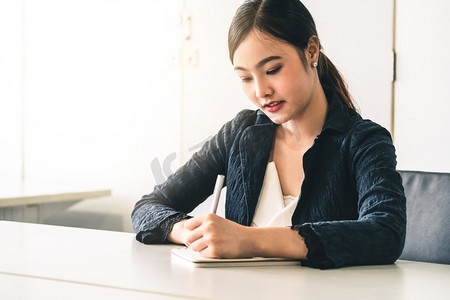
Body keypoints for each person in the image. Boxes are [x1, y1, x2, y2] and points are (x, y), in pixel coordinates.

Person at [131, 0, 406, 269]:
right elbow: (148, 207)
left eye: (272, 70)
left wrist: (247, 240)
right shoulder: (239, 134)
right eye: (246, 78)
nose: (261, 91)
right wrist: (193, 233)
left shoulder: (364, 141)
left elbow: (385, 233)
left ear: (311, 50)